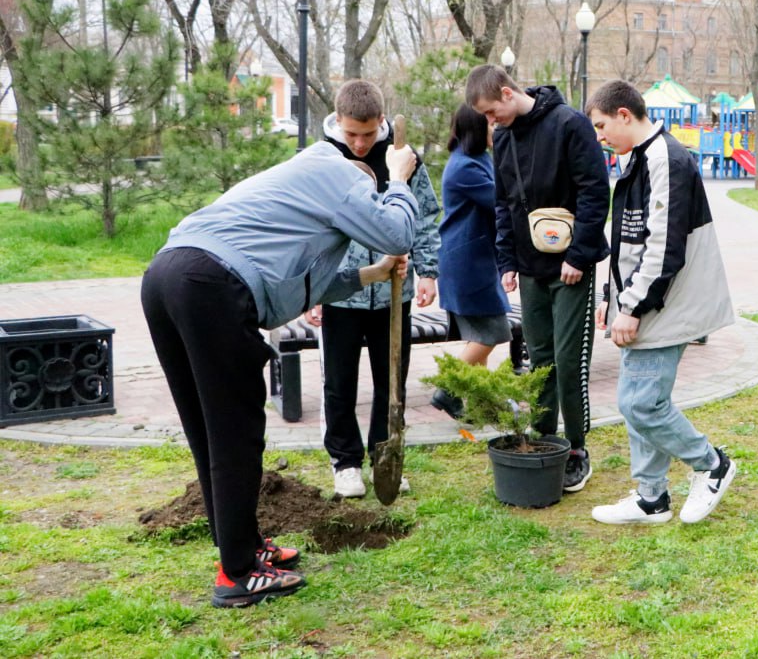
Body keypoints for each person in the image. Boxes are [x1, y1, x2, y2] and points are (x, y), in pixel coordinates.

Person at [140, 139, 418, 608]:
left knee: (208, 431)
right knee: (236, 434)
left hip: (166, 275)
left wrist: (374, 273)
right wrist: (397, 180)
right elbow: (397, 232)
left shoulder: (294, 191)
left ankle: (244, 547)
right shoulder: (344, 176)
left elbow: (301, 289)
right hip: (209, 285)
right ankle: (238, 574)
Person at [586, 81, 737, 525]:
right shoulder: (638, 157)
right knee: (638, 398)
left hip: (668, 303)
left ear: (624, 115)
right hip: (646, 299)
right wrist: (612, 297)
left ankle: (712, 464)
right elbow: (629, 241)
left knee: (641, 403)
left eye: (601, 126)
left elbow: (665, 247)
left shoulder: (665, 159)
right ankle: (651, 497)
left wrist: (631, 307)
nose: (599, 136)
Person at [466, 64, 610, 493]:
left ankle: (577, 449)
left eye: (491, 111)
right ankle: (545, 440)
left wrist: (579, 255)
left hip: (571, 268)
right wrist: (507, 261)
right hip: (530, 268)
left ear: (508, 93)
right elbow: (504, 203)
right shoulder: (504, 137)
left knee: (569, 360)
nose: (490, 121)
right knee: (540, 360)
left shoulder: (570, 124)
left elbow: (594, 192)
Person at [303, 80, 441, 499]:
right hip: (338, 292)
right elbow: (306, 227)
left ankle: (385, 455)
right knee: (339, 382)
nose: (360, 144)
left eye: (367, 134)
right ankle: (345, 463)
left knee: (392, 381)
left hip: (394, 294)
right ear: (337, 120)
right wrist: (309, 288)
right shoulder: (321, 158)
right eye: (352, 134)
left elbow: (425, 214)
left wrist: (428, 270)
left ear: (381, 120)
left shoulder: (402, 157)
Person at [429, 103, 512, 419]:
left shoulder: (476, 159)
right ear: (476, 128)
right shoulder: (464, 167)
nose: (496, 128)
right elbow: (501, 200)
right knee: (493, 332)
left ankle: (482, 401)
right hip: (466, 264)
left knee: (482, 333)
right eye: (490, 124)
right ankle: (447, 388)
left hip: (473, 261)